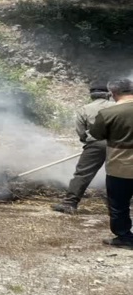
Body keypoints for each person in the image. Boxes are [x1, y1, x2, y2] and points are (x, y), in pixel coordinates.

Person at [51, 81, 115, 214]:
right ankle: (117, 206)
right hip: (118, 145)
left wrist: (88, 142)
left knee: (83, 173)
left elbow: (81, 131)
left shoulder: (84, 109)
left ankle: (70, 204)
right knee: (119, 174)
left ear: (92, 96)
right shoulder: (117, 107)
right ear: (108, 95)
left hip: (95, 144)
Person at [90, 78, 133, 248]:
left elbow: (97, 135)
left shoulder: (108, 114)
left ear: (114, 94)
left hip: (120, 167)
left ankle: (124, 238)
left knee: (119, 205)